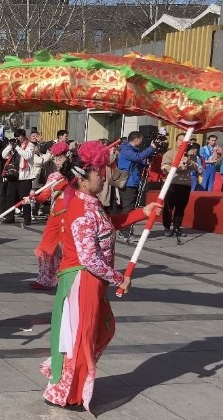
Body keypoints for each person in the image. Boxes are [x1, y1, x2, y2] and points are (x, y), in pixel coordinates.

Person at [40, 141, 162, 411]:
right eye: (98, 172)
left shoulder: (91, 204)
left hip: (92, 281)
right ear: (83, 180)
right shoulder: (81, 210)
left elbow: (109, 224)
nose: (104, 176)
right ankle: (67, 394)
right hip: (82, 281)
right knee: (80, 337)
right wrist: (120, 278)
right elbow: (89, 258)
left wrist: (143, 213)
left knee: (94, 332)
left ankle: (72, 388)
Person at [29, 142, 70, 290]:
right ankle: (44, 279)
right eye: (55, 159)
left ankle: (63, 278)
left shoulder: (74, 176)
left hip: (69, 218)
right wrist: (34, 196)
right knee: (46, 248)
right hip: (53, 218)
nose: (57, 162)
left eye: (60, 159)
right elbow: (44, 196)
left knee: (66, 250)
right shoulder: (53, 176)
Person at [162, 143, 199, 237]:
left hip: (185, 184)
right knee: (169, 207)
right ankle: (167, 227)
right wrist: (177, 168)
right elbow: (164, 167)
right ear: (176, 142)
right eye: (180, 140)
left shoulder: (190, 155)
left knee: (181, 207)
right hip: (172, 183)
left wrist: (189, 162)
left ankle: (177, 227)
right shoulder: (170, 153)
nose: (182, 143)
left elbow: (196, 167)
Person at [1, 129, 35, 224]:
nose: (17, 139)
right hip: (13, 175)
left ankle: (27, 218)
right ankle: (10, 217)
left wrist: (17, 147)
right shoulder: (13, 146)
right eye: (16, 137)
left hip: (25, 177)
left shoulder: (30, 145)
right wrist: (10, 145)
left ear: (23, 136)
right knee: (10, 197)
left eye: (19, 136)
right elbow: (4, 155)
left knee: (25, 198)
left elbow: (27, 156)